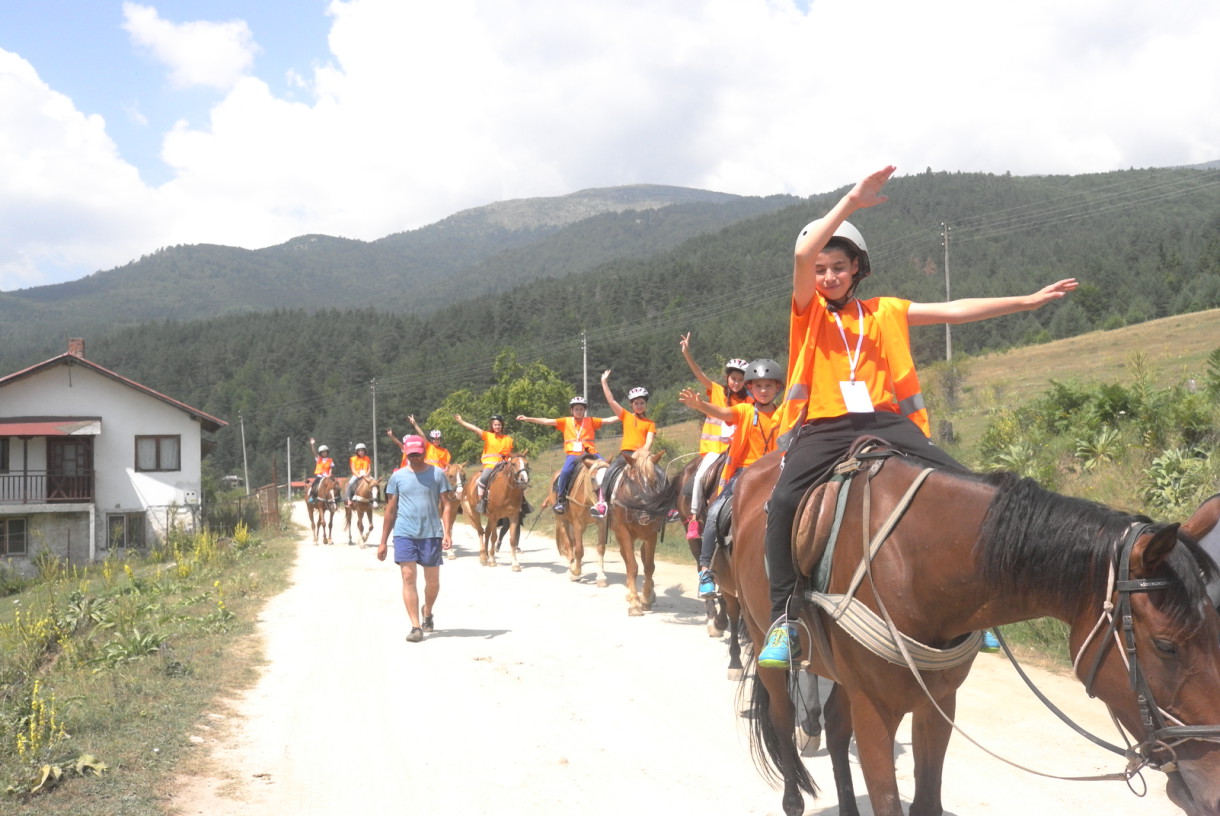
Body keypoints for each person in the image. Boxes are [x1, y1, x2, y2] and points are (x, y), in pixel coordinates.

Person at [757, 164, 1078, 668]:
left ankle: (981, 610)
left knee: (966, 486)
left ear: (857, 268)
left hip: (884, 423)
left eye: (837, 267)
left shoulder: (884, 311)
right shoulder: (808, 311)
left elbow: (954, 309)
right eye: (821, 270)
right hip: (825, 426)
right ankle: (784, 621)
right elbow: (800, 253)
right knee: (782, 503)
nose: (827, 276)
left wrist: (1026, 300)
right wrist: (851, 203)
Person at [679, 359, 783, 599]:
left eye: (768, 385)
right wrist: (701, 405)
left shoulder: (783, 413)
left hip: (777, 471)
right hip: (745, 474)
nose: (763, 390)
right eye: (758, 386)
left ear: (777, 388)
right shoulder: (745, 410)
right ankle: (706, 570)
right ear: (750, 389)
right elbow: (723, 412)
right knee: (716, 511)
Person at [377, 435, 456, 643]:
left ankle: (427, 611)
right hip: (405, 533)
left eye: (417, 454)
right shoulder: (397, 477)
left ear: (423, 452)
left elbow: (447, 504)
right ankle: (415, 626)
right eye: (410, 454)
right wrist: (383, 541)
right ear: (406, 453)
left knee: (432, 582)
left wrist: (447, 532)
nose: (414, 458)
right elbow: (391, 510)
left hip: (431, 533)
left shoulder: (437, 474)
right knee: (408, 577)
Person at [679, 332, 751, 539]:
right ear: (727, 378)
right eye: (733, 378)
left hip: (737, 452)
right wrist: (687, 353)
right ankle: (694, 519)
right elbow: (699, 374)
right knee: (701, 475)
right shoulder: (717, 391)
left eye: (740, 380)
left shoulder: (749, 402)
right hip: (714, 451)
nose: (736, 383)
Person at [517, 396, 620, 515]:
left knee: (607, 468)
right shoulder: (565, 421)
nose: (579, 411)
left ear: (584, 410)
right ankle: (561, 500)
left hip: (590, 452)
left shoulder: (591, 420)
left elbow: (609, 420)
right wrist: (527, 418)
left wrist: (626, 416)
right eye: (576, 409)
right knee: (565, 472)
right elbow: (546, 421)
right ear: (572, 410)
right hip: (573, 454)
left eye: (581, 409)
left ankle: (610, 498)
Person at [594, 370, 658, 519]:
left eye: (642, 403)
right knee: (609, 472)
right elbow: (611, 401)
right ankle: (602, 503)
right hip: (626, 454)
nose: (639, 405)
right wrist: (604, 382)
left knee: (660, 473)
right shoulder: (625, 416)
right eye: (636, 403)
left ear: (646, 404)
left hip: (643, 456)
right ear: (631, 405)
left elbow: (648, 442)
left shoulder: (650, 423)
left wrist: (642, 455)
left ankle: (666, 508)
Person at [454, 413, 515, 515]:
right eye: (495, 425)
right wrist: (461, 421)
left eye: (499, 425)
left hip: (505, 465)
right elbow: (475, 428)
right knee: (483, 478)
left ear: (502, 426)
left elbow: (510, 453)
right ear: (492, 426)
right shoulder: (488, 435)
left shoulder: (508, 439)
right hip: (491, 465)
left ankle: (521, 503)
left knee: (518, 478)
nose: (497, 427)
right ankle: (481, 501)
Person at [343, 442, 372, 507]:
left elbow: (369, 468)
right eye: (359, 451)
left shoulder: (367, 458)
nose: (361, 452)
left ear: (364, 451)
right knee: (350, 484)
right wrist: (358, 475)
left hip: (366, 475)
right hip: (357, 475)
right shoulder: (353, 459)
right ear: (357, 452)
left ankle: (374, 500)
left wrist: (367, 474)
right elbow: (353, 469)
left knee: (374, 484)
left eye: (362, 450)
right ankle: (349, 499)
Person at [307, 438, 334, 502]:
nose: (324, 453)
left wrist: (329, 474)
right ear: (320, 453)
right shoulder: (318, 458)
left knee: (335, 485)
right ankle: (312, 496)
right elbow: (314, 452)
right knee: (314, 484)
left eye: (325, 452)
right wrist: (312, 445)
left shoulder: (330, 460)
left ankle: (336, 497)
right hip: (320, 476)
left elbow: (330, 468)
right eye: (322, 452)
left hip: (327, 476)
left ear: (327, 452)